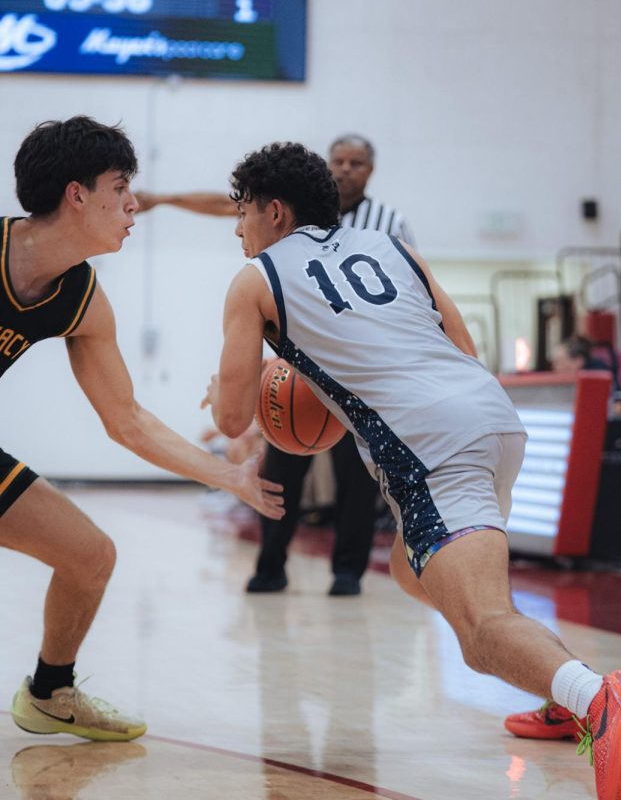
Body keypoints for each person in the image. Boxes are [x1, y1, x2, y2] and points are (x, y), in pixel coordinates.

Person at [204, 141, 621, 800]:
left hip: (429, 452)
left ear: (275, 212)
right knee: (410, 570)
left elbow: (233, 417)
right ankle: (562, 695)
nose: (237, 228)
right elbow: (463, 346)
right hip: (492, 421)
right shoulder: (394, 248)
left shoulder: (254, 280)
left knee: (479, 632)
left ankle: (599, 699)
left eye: (241, 211)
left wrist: (232, 387)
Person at [1, 117, 283, 744]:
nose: (135, 204)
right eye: (121, 187)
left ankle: (50, 694)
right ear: (77, 194)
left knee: (89, 556)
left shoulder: (79, 297)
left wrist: (229, 474)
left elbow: (126, 419)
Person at [137, 133, 414, 598]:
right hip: (295, 372)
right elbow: (227, 204)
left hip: (356, 377)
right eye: (339, 160)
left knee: (357, 480)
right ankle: (270, 564)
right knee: (282, 465)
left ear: (371, 170)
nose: (346, 169)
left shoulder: (388, 224)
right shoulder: (284, 213)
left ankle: (348, 572)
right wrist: (165, 199)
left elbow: (404, 293)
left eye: (357, 162)